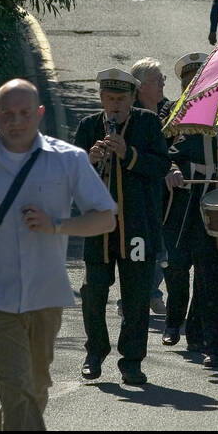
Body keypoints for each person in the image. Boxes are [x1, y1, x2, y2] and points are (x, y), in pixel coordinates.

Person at [0, 79, 116, 430]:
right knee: (17, 388)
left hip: (46, 296)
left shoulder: (69, 160)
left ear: (40, 114)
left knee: (36, 386)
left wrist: (57, 225)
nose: (16, 121)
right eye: (8, 114)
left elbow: (105, 218)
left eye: (25, 113)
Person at [74, 69, 171, 386]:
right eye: (109, 99)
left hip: (137, 227)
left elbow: (160, 167)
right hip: (98, 229)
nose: (115, 105)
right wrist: (89, 160)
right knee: (93, 293)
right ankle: (94, 352)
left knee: (135, 296)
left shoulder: (147, 123)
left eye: (121, 99)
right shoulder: (89, 127)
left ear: (132, 98)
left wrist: (127, 153)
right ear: (101, 98)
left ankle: (131, 361)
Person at [162, 55, 218, 368]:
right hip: (185, 203)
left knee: (209, 275)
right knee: (177, 266)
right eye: (189, 80)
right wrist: (173, 167)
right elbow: (163, 152)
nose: (195, 85)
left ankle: (207, 338)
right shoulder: (176, 111)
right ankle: (174, 321)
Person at [131, 59, 171, 316]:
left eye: (162, 79)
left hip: (168, 192)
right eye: (157, 80)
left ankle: (152, 291)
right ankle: (134, 298)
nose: (162, 84)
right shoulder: (130, 115)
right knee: (139, 248)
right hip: (139, 194)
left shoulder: (170, 111)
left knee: (163, 245)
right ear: (140, 86)